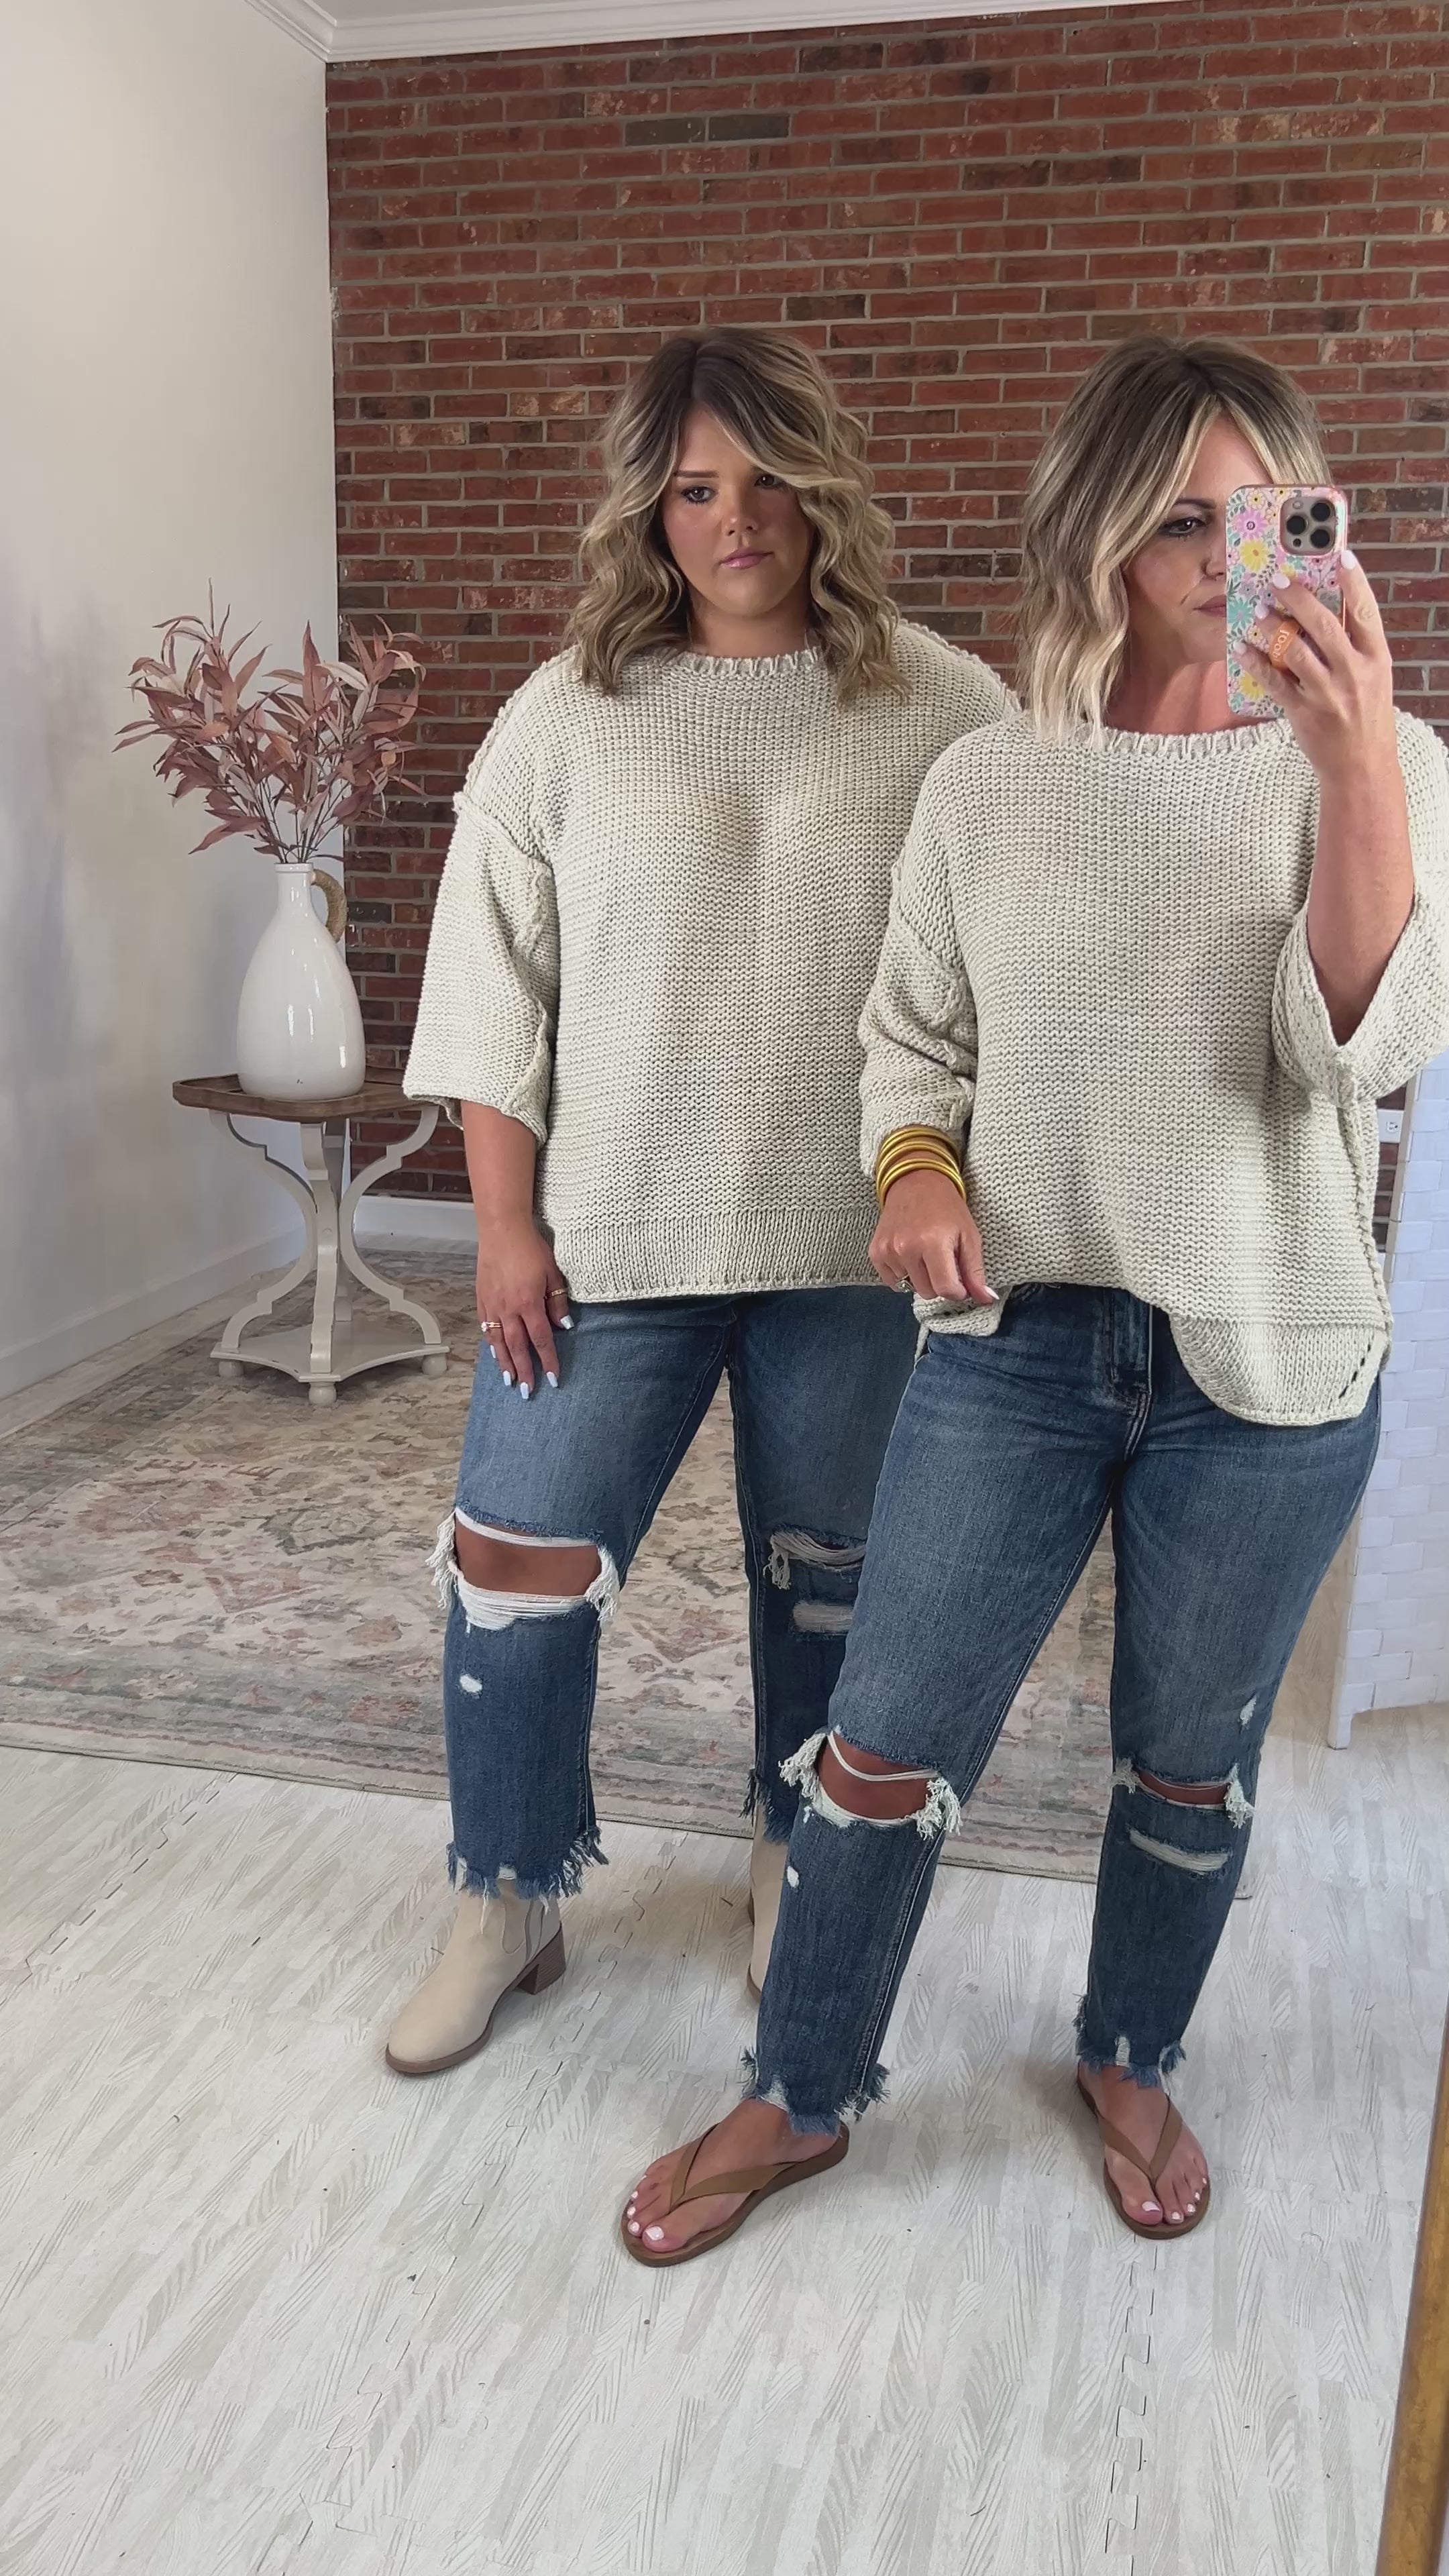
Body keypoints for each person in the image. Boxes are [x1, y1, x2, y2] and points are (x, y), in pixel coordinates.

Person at [622, 332, 1449, 2264]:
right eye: (1179, 520)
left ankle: (1131, 2053)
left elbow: (1362, 1052)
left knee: (1187, 1756)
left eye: (1266, 517)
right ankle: (800, 2087)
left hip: (1269, 1351)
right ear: (1096, 534)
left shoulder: (1395, 765)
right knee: (882, 1737)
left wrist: (1349, 769)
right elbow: (910, 1043)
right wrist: (914, 1173)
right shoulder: (993, 780)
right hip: (1017, 1344)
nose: (1227, 558)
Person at [386, 325, 1011, 2077]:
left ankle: (786, 1857)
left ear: (823, 485)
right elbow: (492, 991)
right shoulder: (564, 712)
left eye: (763, 478)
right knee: (514, 1562)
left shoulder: (948, 709)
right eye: (691, 489)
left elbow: (1006, 964)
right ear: (649, 516)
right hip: (609, 1240)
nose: (733, 518)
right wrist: (503, 1228)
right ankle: (505, 1898)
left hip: (851, 1246)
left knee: (831, 1587)